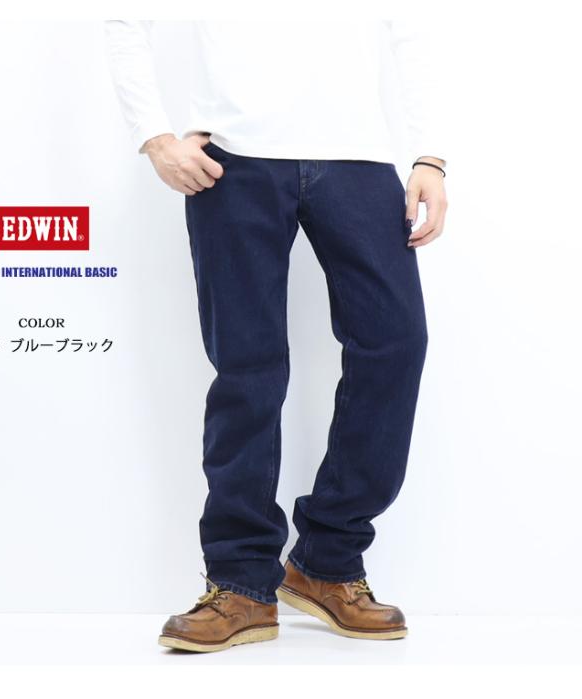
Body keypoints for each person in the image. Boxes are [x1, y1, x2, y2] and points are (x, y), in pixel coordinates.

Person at [106, 20, 447, 653]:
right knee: (247, 367)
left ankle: (328, 560)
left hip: (358, 157)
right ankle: (238, 582)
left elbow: (413, 26)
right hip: (232, 160)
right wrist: (154, 136)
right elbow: (126, 19)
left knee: (396, 342)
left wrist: (430, 154)